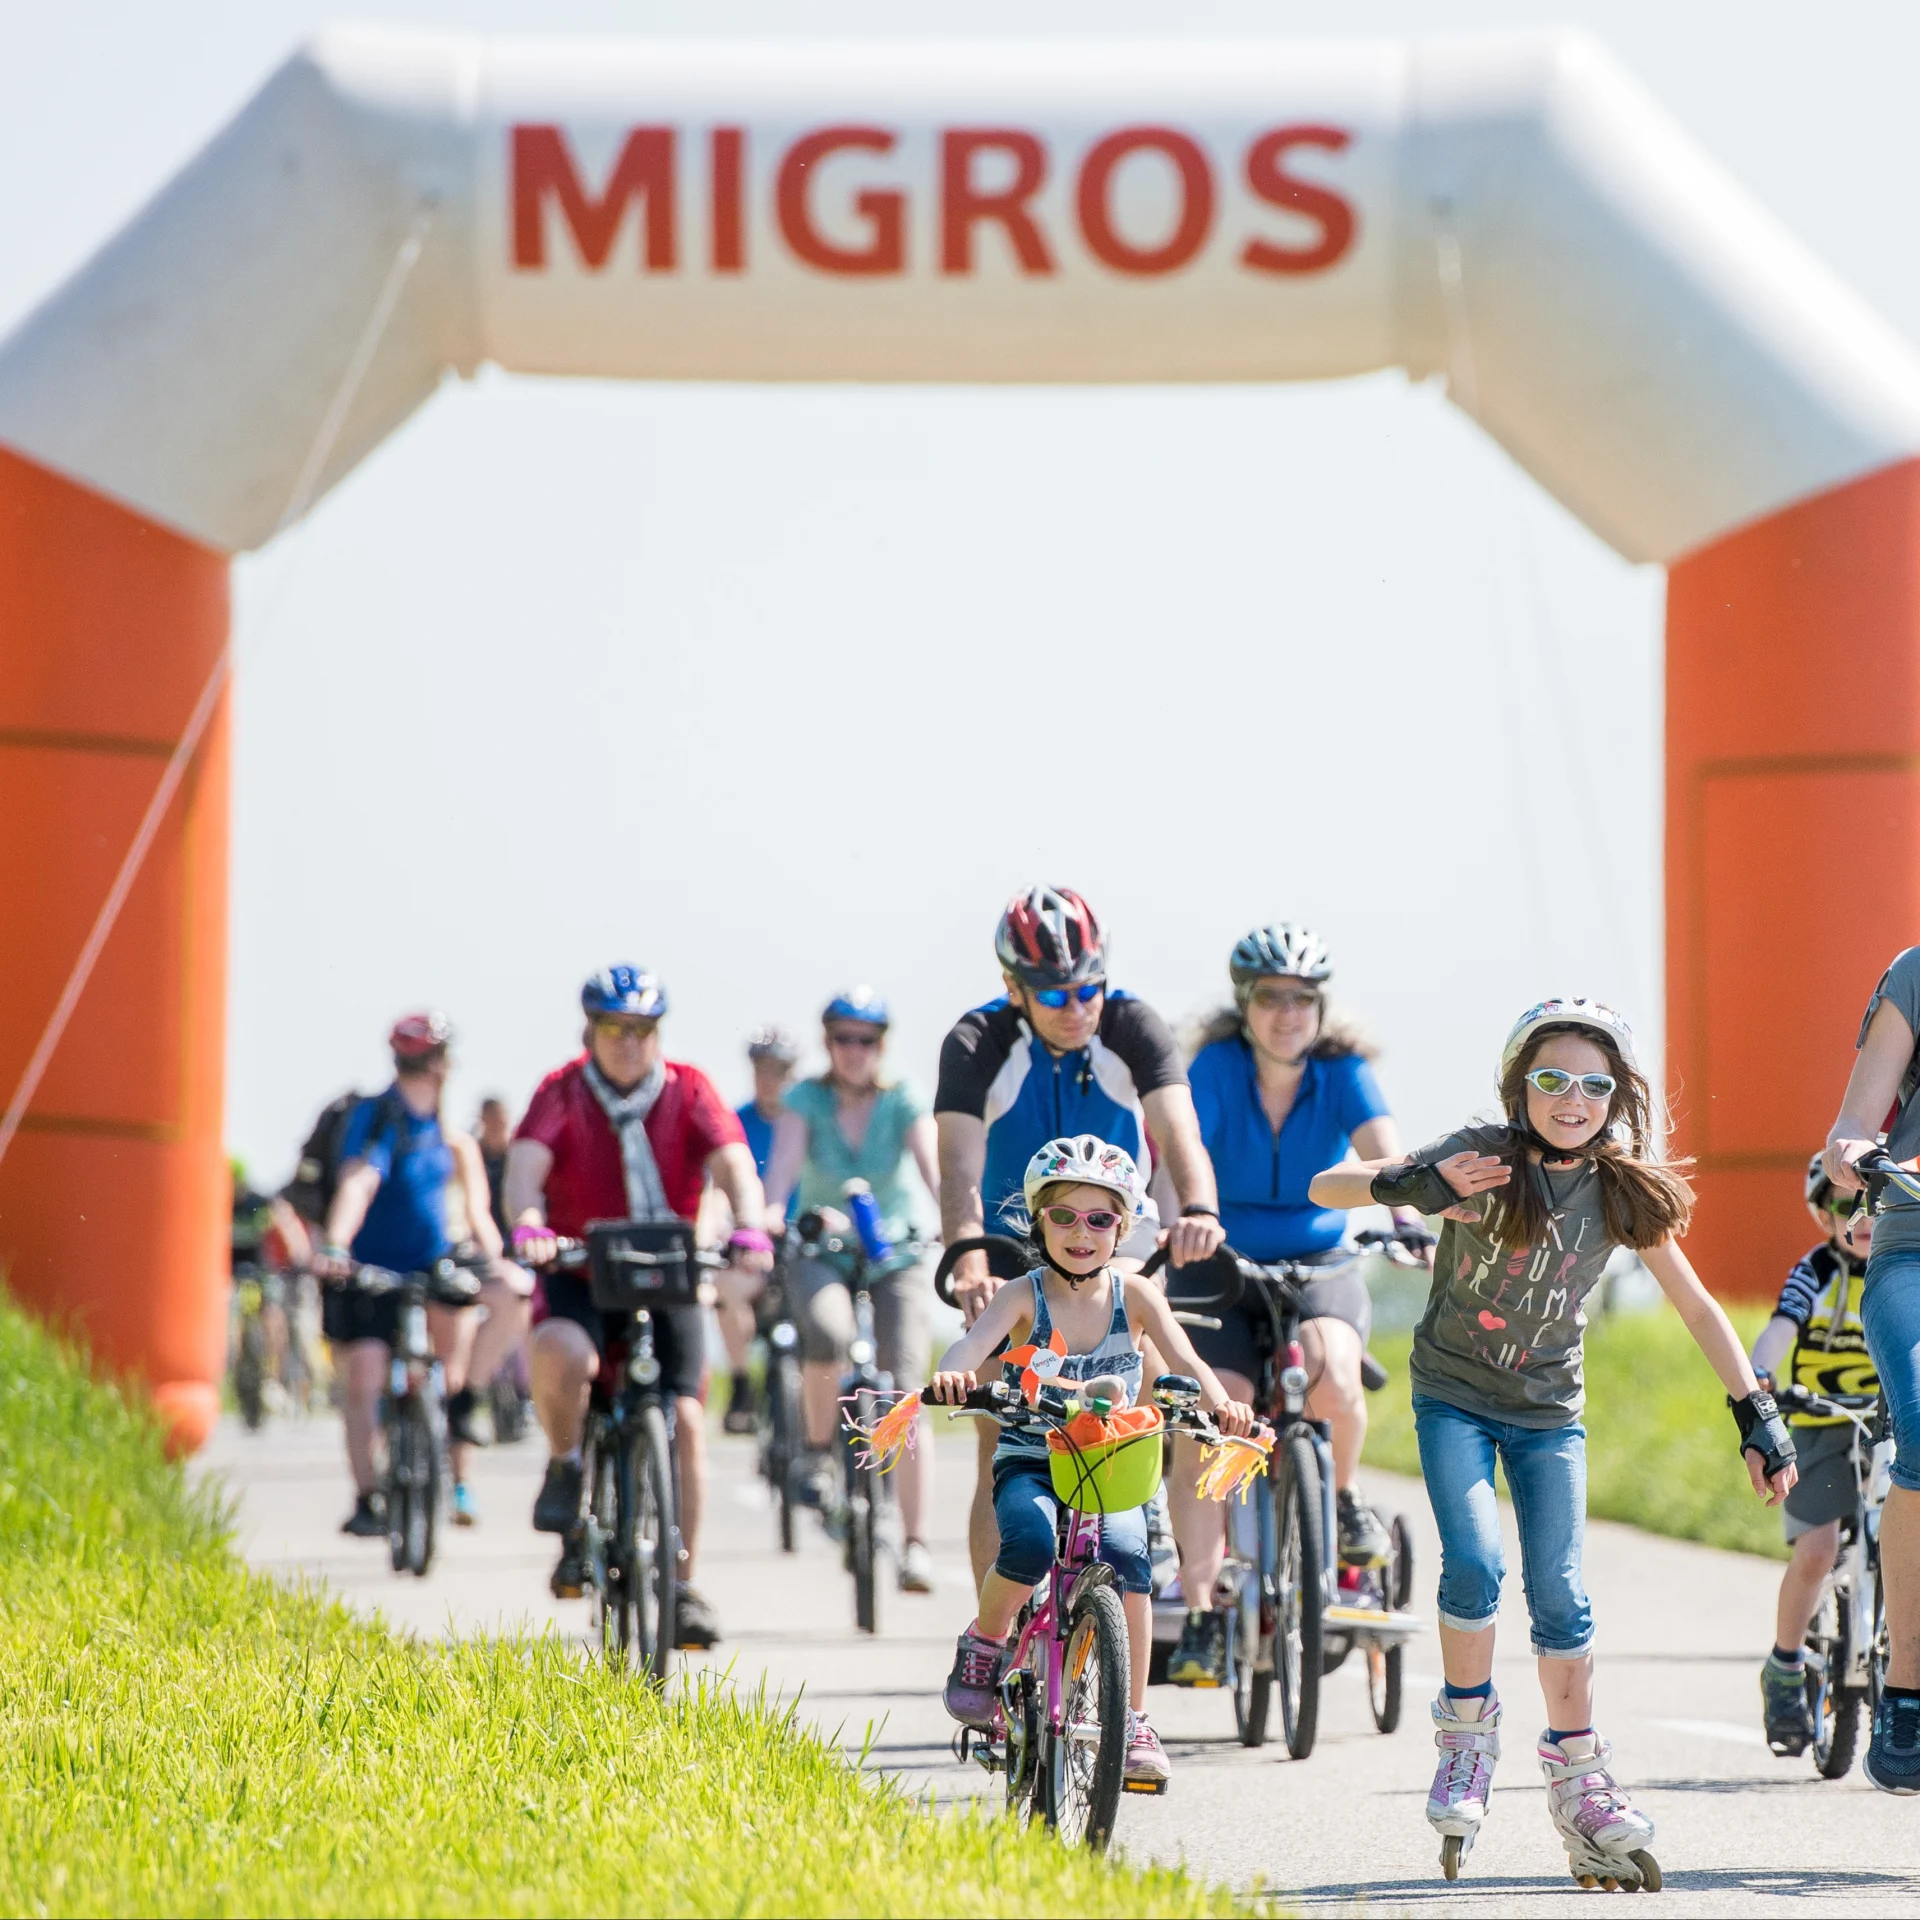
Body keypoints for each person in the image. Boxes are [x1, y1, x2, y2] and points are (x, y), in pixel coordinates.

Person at [1309, 997, 1795, 1887]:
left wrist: (1754, 1413)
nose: (1573, 1097)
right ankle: (1466, 1739)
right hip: (1453, 1396)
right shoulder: (1482, 1156)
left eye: (1594, 1085)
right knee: (1474, 1563)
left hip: (1548, 1416)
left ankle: (1581, 1781)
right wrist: (1418, 1186)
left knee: (1563, 1593)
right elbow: (1327, 1188)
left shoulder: (1618, 1190)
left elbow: (1694, 1305)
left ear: (1617, 1097)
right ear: (1518, 1086)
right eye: (1552, 1079)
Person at [930, 1136, 1254, 1788]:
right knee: (1026, 1539)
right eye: (1065, 1217)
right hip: (1033, 1454)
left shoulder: (1135, 1295)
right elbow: (971, 1345)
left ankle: (1132, 1718)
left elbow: (1187, 1360)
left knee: (1132, 1562)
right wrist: (952, 1378)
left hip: (1112, 1462)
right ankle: (987, 1642)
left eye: (1101, 1219)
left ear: (1122, 1228)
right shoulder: (1021, 1295)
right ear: (1037, 1221)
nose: (1083, 1232)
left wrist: (1224, 1406)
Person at [935, 884, 1226, 1591]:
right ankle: (1000, 1640)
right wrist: (969, 1252)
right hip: (1012, 1239)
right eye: (1055, 995)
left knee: (1156, 1365)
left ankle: (1158, 1524)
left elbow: (1180, 1133)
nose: (1079, 1008)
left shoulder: (1132, 1025)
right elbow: (958, 1167)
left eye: (1089, 988)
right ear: (1013, 987)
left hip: (1115, 1227)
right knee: (998, 1434)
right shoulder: (979, 1041)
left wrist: (1200, 1210)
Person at [1165, 922, 1433, 1687]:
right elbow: (1176, 1160)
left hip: (1319, 1257)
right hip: (1216, 1257)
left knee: (1333, 1375)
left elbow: (1389, 1151)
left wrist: (1408, 1218)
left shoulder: (1342, 1071)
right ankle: (1206, 1612)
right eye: (1273, 998)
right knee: (1217, 1415)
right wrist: (1174, 1221)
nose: (1289, 1013)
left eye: (1304, 999)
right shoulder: (1213, 1068)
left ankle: (1340, 1505)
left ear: (1321, 1007)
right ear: (1245, 1005)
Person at [504, 965, 774, 1649]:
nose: (629, 1042)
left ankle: (680, 1588)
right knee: (566, 1353)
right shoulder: (561, 1092)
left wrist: (748, 1226)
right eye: (614, 1028)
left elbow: (733, 1161)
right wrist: (530, 1226)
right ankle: (566, 1465)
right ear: (589, 1030)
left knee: (685, 1419)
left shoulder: (688, 1087)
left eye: (643, 1029)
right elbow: (525, 1171)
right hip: (581, 1268)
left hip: (666, 1269)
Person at [314, 1013, 532, 1534]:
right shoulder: (376, 1119)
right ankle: (369, 1497)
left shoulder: (456, 1141)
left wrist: (497, 1257)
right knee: (365, 1372)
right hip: (371, 1266)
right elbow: (358, 1182)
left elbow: (479, 1214)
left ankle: (463, 1435)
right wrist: (337, 1243)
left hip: (437, 1265)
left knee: (508, 1302)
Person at [760, 989, 942, 1592]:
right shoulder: (804, 1099)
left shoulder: (903, 1098)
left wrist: (956, 1223)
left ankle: (914, 1543)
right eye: (843, 1038)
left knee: (908, 1390)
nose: (854, 1051)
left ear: (882, 1046)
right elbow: (782, 1168)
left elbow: (932, 1165)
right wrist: (768, 1214)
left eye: (866, 1039)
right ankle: (815, 1453)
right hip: (823, 1247)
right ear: (827, 1043)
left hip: (897, 1250)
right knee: (828, 1331)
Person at [1824, 943, 1920, 1793]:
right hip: (1914, 1248)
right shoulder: (1914, 975)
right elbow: (1855, 1124)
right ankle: (1908, 1690)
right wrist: (1856, 1153)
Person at [1751, 1153, 1876, 1756]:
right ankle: (1784, 1667)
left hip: (1889, 1423)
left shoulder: (1904, 1273)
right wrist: (1757, 1378)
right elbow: (1779, 1331)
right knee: (1818, 1550)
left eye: (1879, 1203)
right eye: (1847, 1205)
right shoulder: (1816, 1272)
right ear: (1824, 1216)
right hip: (1820, 1424)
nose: (1864, 1216)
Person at [719, 1025, 800, 1434]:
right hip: (752, 1245)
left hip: (804, 1243)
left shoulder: (807, 1120)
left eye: (779, 1071)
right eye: (762, 1070)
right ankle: (739, 1382)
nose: (770, 1079)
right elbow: (717, 1185)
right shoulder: (734, 1123)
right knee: (726, 1289)